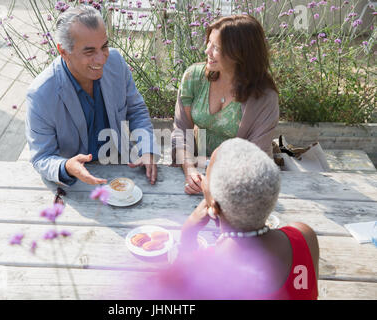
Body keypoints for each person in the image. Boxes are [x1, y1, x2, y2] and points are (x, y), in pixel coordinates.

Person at [147, 138, 318, 299]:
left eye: (207, 172)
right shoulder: (304, 236)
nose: (204, 179)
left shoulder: (204, 268)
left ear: (214, 205)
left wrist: (188, 236)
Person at [25, 5, 159, 187]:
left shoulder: (116, 62)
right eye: (89, 52)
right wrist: (65, 166)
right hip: (74, 183)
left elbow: (136, 110)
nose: (102, 58)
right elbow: (42, 157)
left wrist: (147, 149)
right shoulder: (39, 94)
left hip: (122, 167)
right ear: (63, 51)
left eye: (104, 46)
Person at [171, 14, 279, 195]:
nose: (207, 51)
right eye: (208, 43)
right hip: (195, 171)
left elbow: (253, 157)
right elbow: (181, 129)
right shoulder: (194, 76)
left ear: (239, 54)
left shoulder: (265, 97)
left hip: (242, 180)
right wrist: (189, 167)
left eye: (216, 48)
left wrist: (206, 165)